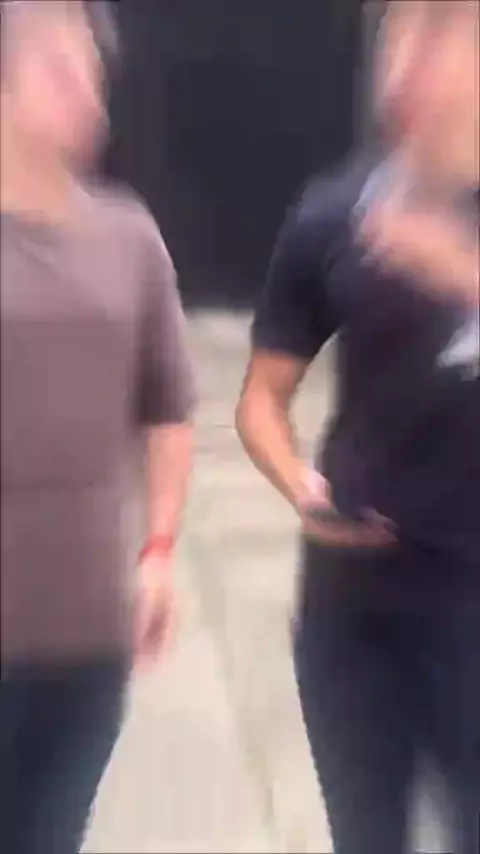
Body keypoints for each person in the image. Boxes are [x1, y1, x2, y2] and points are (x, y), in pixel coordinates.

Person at [236, 2, 479, 852]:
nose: (409, 62)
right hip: (352, 613)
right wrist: (300, 486)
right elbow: (261, 399)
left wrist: (463, 272)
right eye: (397, 36)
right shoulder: (334, 212)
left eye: (441, 33)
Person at [0, 2, 195, 853]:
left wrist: (158, 549)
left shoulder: (129, 236)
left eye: (93, 71)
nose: (89, 91)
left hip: (89, 644)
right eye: (59, 67)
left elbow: (169, 409)